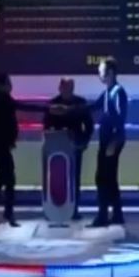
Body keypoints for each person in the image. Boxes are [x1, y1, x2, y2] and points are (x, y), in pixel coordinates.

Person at [0, 73, 48, 228]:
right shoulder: (2, 100)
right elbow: (23, 107)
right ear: (0, 85)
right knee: (8, 179)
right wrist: (47, 108)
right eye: (8, 82)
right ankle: (5, 212)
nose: (10, 85)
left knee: (3, 178)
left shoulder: (1, 99)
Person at [43, 78, 94, 220]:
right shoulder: (53, 104)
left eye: (70, 87)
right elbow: (46, 126)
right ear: (60, 88)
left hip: (75, 147)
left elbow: (89, 126)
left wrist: (84, 142)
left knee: (74, 179)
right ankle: (54, 208)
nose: (68, 90)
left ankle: (74, 209)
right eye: (65, 87)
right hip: (56, 148)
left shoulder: (80, 103)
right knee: (55, 178)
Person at [86, 58, 128, 227]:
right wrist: (73, 109)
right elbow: (94, 106)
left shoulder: (118, 92)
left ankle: (103, 216)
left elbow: (120, 118)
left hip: (112, 141)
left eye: (101, 72)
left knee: (103, 178)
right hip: (106, 141)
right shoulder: (107, 92)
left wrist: (114, 141)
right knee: (108, 178)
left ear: (110, 73)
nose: (99, 75)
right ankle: (116, 214)